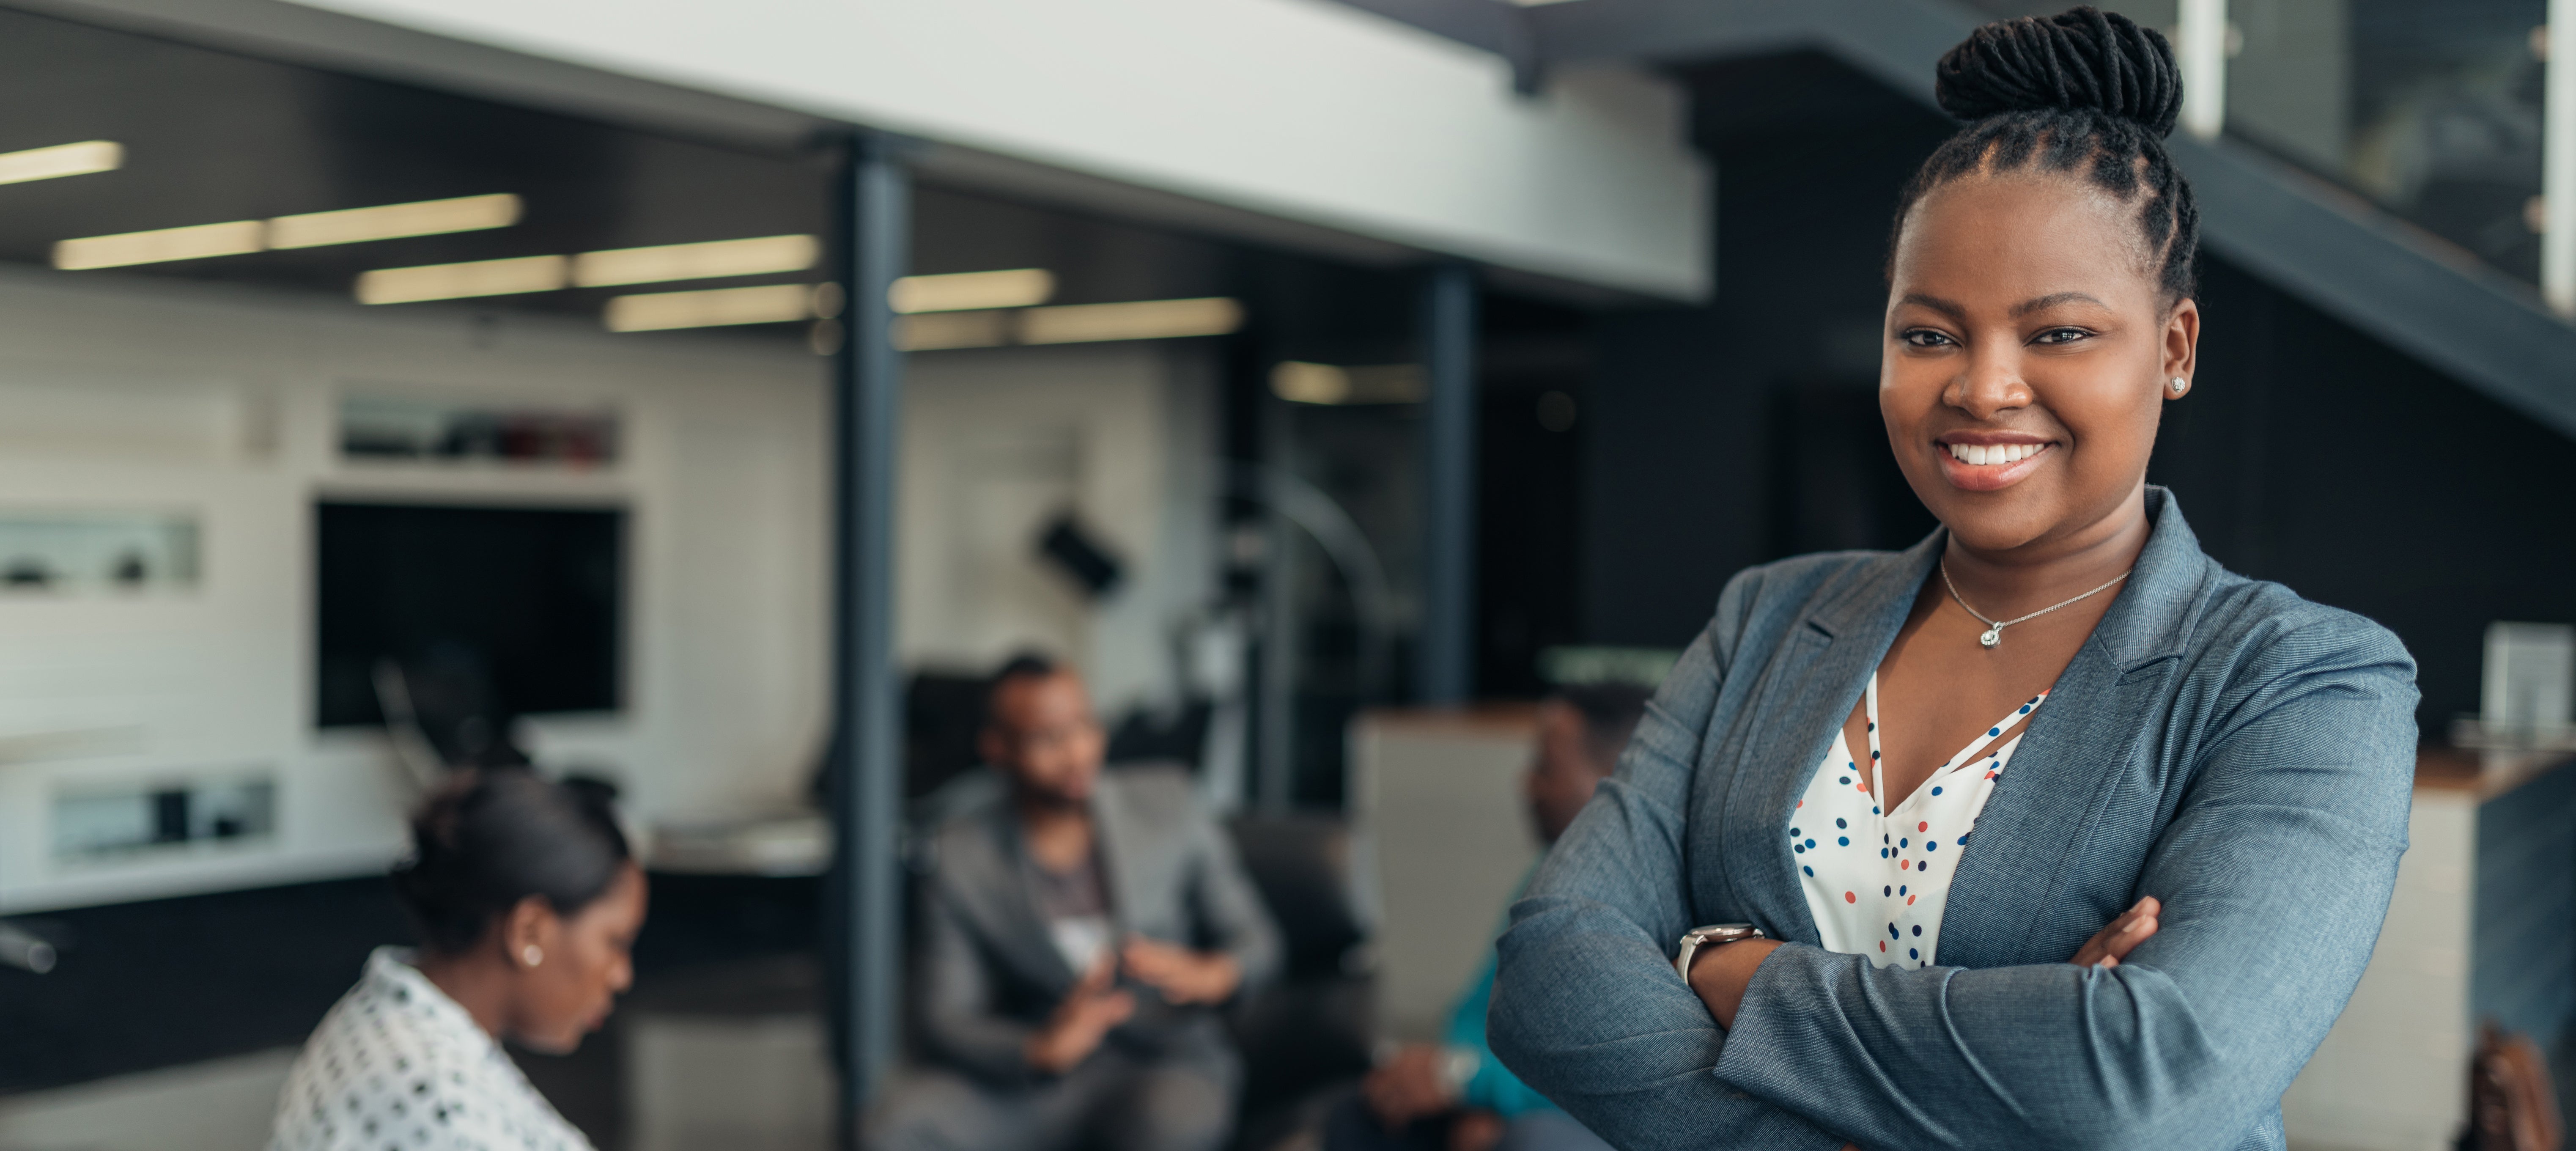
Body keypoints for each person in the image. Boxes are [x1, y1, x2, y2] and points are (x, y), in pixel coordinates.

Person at [1487, 9, 2419, 1151]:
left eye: (2058, 335)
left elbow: (2148, 1084)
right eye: (1929, 334)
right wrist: (2018, 1050)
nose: (1982, 388)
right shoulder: (1767, 617)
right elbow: (1549, 976)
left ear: (2172, 349)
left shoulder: (2303, 680)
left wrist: (1725, 965)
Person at [868, 654, 1283, 1151]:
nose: (1076, 753)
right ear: (996, 748)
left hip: (1166, 1060)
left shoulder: (1171, 805)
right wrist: (1038, 1050)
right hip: (1043, 1074)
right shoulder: (963, 857)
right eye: (1048, 738)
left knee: (1167, 1130)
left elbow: (1257, 940)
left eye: (1085, 727)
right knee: (897, 1126)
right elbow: (946, 1017)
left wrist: (1214, 974)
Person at [1327, 684, 1649, 1151]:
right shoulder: (1546, 876)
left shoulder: (1659, 898)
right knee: (1365, 1114)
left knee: (1528, 1142)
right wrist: (1460, 1080)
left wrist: (1474, 1086)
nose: (1526, 783)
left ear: (1613, 779)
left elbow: (1623, 1073)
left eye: (1546, 769)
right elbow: (1475, 1011)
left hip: (1598, 1124)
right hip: (1511, 1097)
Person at [269, 769, 646, 1151]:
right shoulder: (445, 1111)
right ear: (529, 931)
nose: (621, 976)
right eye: (615, 942)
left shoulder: (386, 1017)